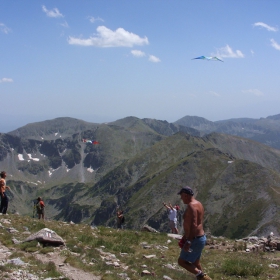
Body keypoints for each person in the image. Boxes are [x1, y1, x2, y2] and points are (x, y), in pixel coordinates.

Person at [177, 186, 211, 280]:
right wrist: (185, 235)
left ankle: (203, 277)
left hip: (195, 239)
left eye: (182, 196)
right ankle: (202, 278)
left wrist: (189, 241)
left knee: (182, 261)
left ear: (186, 195)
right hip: (200, 238)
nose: (181, 198)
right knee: (196, 263)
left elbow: (194, 225)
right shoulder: (198, 203)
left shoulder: (191, 206)